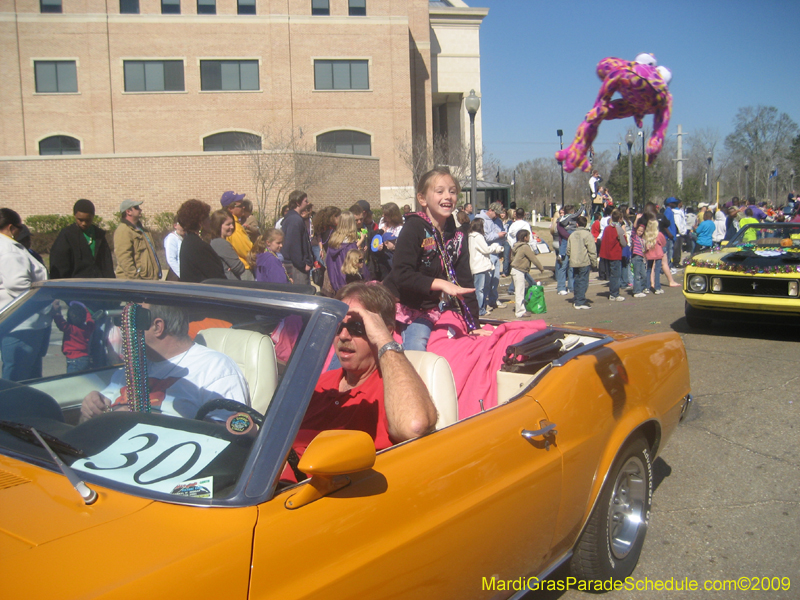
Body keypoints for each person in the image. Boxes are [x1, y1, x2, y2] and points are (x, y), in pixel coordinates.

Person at [285, 283, 437, 481]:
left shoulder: (396, 389)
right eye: (338, 325)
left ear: (383, 331)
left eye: (358, 327)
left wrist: (384, 341)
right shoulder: (320, 384)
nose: (344, 336)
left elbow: (415, 426)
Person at [80, 304, 250, 422]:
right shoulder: (134, 365)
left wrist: (145, 420)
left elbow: (228, 437)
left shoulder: (215, 368)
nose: (125, 328)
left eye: (133, 319)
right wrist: (90, 410)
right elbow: (89, 424)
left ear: (157, 327)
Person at [383, 167, 480, 351]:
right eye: (440, 191)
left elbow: (465, 282)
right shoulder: (413, 228)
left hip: (428, 308)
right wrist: (440, 284)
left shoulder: (457, 236)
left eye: (452, 191)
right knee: (416, 347)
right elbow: (401, 274)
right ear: (422, 199)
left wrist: (473, 324)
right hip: (399, 304)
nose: (448, 196)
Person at [0, 208, 50, 381]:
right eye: (20, 229)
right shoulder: (9, 250)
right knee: (21, 377)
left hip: (14, 322)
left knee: (22, 374)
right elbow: (17, 284)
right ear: (11, 228)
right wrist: (45, 303)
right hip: (23, 323)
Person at [49, 199, 115, 279]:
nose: (84, 223)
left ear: (93, 217)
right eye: (80, 220)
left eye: (88, 220)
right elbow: (59, 264)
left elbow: (106, 263)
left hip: (98, 283)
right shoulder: (67, 235)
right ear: (74, 216)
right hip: (76, 285)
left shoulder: (99, 235)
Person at [177, 199, 226, 283]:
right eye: (208, 218)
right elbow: (217, 278)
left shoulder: (188, 241)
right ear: (201, 223)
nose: (210, 221)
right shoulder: (198, 246)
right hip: (203, 293)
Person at [113, 199, 162, 280]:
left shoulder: (143, 230)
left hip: (149, 279)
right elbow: (124, 258)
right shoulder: (123, 230)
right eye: (136, 208)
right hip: (134, 282)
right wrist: (136, 279)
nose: (140, 210)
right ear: (128, 212)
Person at [325, 211, 366, 293]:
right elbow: (355, 264)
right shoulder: (349, 245)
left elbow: (328, 261)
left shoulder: (333, 241)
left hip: (335, 281)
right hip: (348, 285)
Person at [468, 219, 502, 316]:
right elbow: (486, 250)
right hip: (480, 266)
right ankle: (480, 309)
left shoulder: (471, 236)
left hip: (476, 264)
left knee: (479, 288)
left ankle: (481, 307)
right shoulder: (478, 236)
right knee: (480, 289)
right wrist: (495, 246)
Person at [208, 209, 255, 281]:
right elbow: (239, 268)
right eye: (228, 224)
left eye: (232, 223)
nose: (232, 227)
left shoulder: (215, 242)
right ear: (218, 225)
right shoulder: (221, 243)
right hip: (230, 284)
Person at [476, 202, 506, 308]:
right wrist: (498, 235)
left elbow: (501, 232)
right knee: (486, 281)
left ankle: (493, 299)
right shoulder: (481, 220)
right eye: (496, 213)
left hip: (496, 252)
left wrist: (503, 236)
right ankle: (484, 302)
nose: (497, 216)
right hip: (487, 253)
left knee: (495, 279)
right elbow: (485, 237)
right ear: (490, 210)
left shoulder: (497, 221)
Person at [281, 190, 314, 285]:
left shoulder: (293, 218)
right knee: (301, 295)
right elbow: (293, 245)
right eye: (305, 201)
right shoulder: (294, 220)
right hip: (296, 267)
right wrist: (302, 264)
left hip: (296, 265)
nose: (307, 203)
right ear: (297, 203)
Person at [510, 230, 546, 316]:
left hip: (515, 269)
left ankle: (522, 308)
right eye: (528, 236)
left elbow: (511, 258)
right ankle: (520, 312)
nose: (530, 238)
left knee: (520, 290)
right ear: (525, 238)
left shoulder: (515, 246)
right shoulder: (525, 247)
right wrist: (541, 268)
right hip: (519, 270)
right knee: (520, 291)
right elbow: (533, 258)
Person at [52, 301, 94, 373]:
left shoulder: (70, 329)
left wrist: (57, 312)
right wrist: (85, 309)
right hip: (85, 358)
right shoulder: (88, 328)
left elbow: (60, 321)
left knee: (73, 381)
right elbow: (90, 319)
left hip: (74, 360)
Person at [566, 215, 597, 309]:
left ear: (577, 224)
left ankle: (577, 299)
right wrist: (594, 263)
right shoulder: (587, 235)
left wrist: (570, 257)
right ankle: (580, 301)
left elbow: (568, 250)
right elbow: (592, 250)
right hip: (584, 261)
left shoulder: (572, 235)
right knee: (583, 281)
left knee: (577, 280)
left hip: (574, 261)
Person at [219, 191, 253, 274]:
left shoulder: (233, 224)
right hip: (244, 269)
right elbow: (248, 251)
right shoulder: (234, 228)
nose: (244, 207)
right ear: (230, 208)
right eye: (241, 205)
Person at [163, 215, 184, 280]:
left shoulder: (186, 237)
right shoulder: (171, 238)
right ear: (175, 226)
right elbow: (171, 260)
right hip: (176, 275)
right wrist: (182, 274)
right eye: (182, 224)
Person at [630, 220, 648, 297]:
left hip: (641, 258)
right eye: (639, 230)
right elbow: (633, 229)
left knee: (644, 275)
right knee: (637, 275)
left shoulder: (642, 239)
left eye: (641, 231)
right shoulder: (635, 237)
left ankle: (641, 288)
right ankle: (637, 291)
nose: (640, 232)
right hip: (636, 257)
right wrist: (637, 219)